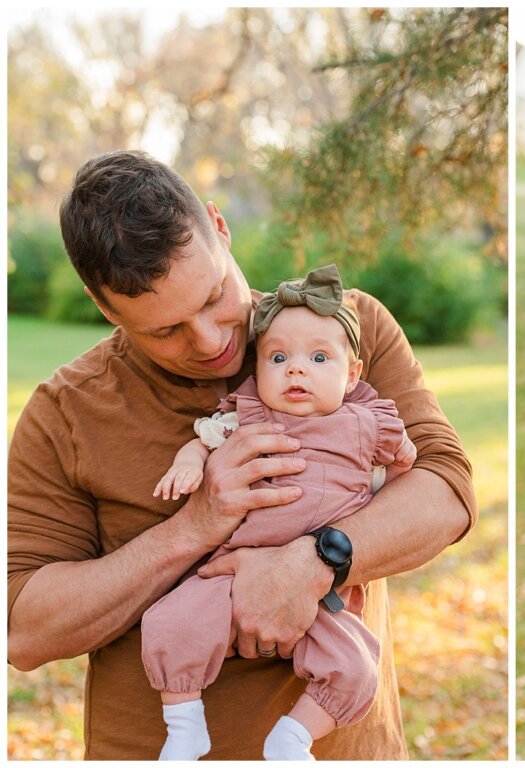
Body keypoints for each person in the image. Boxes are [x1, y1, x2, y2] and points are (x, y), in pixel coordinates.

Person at [7, 150, 476, 759]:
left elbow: (446, 490)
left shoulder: (344, 333)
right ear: (105, 308)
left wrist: (313, 562)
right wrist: (195, 527)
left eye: (213, 296)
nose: (209, 342)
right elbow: (24, 629)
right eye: (164, 330)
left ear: (219, 228)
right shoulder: (64, 413)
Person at [144, 264, 417, 760]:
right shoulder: (245, 416)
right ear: (258, 369)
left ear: (351, 374)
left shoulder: (365, 421)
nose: (296, 369)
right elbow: (200, 444)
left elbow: (413, 473)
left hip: (325, 591)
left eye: (318, 358)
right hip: (230, 572)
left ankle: (294, 736)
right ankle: (184, 724)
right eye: (277, 357)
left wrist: (387, 480)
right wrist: (188, 465)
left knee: (356, 663)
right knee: (171, 622)